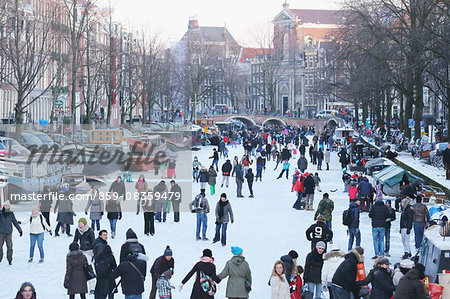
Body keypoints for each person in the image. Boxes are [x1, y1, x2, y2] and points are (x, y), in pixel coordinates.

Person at [73, 218, 96, 294]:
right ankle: (81, 286)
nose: (81, 225)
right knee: (80, 269)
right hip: (81, 251)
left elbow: (93, 242)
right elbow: (75, 240)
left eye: (82, 224)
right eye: (79, 224)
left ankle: (92, 287)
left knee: (89, 269)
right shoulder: (77, 230)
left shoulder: (90, 231)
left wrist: (94, 253)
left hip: (89, 252)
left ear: (85, 224)